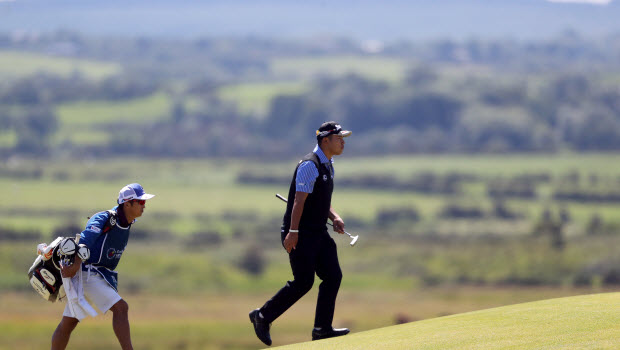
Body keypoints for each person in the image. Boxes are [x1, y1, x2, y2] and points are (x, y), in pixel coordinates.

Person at [250, 121, 352, 346]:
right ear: (325, 140)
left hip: (317, 232)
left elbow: (319, 201)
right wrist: (293, 232)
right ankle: (262, 316)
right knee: (304, 282)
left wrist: (334, 217)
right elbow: (299, 201)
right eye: (339, 138)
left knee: (333, 276)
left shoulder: (328, 164)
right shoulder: (310, 165)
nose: (343, 141)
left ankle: (321, 329)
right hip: (300, 233)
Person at [51, 183, 155, 350]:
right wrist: (76, 265)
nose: (144, 205)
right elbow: (84, 242)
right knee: (121, 308)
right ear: (127, 204)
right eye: (141, 202)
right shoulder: (105, 218)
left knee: (68, 323)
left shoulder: (127, 221)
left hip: (97, 274)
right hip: (87, 272)